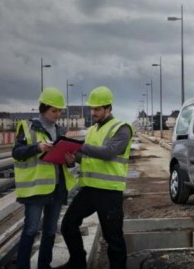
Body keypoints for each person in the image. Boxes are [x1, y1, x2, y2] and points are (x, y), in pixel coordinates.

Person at [55, 86, 134, 269]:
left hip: (109, 192)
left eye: (97, 109)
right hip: (89, 189)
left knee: (112, 238)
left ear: (108, 108)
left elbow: (108, 152)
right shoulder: (91, 131)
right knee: (68, 225)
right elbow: (85, 157)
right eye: (92, 108)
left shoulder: (122, 129)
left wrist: (79, 147)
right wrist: (72, 158)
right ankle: (77, 262)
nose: (93, 112)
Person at [12, 87, 77, 269]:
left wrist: (70, 161)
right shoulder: (28, 127)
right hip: (36, 190)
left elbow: (65, 160)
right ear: (43, 109)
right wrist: (38, 147)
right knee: (31, 230)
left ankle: (44, 266)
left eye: (59, 111)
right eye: (54, 111)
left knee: (49, 232)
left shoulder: (60, 130)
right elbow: (17, 153)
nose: (57, 114)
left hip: (57, 189)